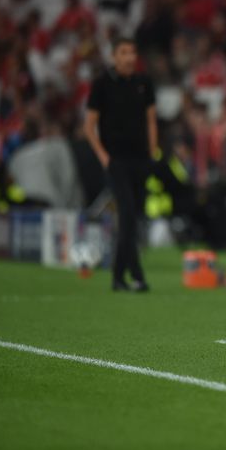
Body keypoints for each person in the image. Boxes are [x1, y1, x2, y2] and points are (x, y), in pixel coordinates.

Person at [84, 37, 158, 292]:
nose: (129, 57)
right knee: (126, 214)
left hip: (141, 159)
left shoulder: (143, 83)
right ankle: (122, 274)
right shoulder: (102, 84)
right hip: (117, 161)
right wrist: (105, 158)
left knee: (134, 218)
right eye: (124, 52)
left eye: (132, 52)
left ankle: (132, 275)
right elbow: (89, 126)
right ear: (114, 56)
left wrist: (152, 153)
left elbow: (151, 121)